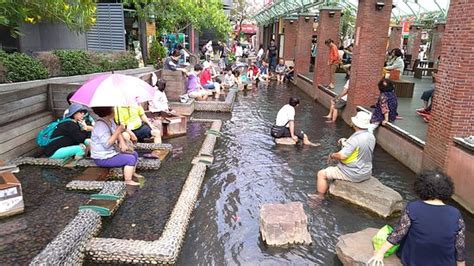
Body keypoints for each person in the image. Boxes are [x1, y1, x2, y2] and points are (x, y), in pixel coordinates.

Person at [368, 171, 466, 266]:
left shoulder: (413, 207)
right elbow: (460, 245)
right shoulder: (455, 213)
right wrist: (461, 264)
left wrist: (380, 253)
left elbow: (398, 234)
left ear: (421, 187)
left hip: (415, 260)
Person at [312, 111, 375, 196]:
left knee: (321, 174)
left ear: (355, 124)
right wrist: (345, 142)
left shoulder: (355, 140)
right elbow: (358, 149)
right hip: (366, 171)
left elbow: (342, 156)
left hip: (353, 173)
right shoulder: (371, 136)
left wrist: (332, 155)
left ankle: (319, 197)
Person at [91, 107, 141, 186]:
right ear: (109, 111)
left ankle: (132, 173)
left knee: (134, 154)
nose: (114, 111)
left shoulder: (109, 121)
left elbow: (117, 132)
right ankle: (128, 180)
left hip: (111, 152)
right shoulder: (100, 126)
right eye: (113, 109)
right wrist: (118, 131)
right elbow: (107, 144)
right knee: (130, 159)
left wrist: (122, 142)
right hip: (102, 157)